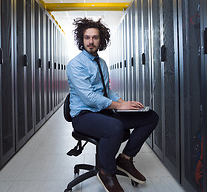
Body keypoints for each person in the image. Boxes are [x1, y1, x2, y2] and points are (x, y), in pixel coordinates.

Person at [66, 17, 159, 192]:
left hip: (103, 111)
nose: (91, 41)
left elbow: (106, 91)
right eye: (87, 37)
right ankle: (106, 172)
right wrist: (118, 106)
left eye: (95, 37)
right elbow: (89, 97)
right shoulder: (76, 65)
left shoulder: (101, 63)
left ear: (101, 40)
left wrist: (125, 103)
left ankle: (125, 158)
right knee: (115, 127)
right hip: (83, 115)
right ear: (81, 39)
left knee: (150, 117)